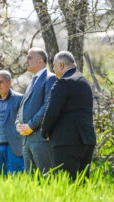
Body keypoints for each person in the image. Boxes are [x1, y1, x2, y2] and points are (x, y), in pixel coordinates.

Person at [41, 51, 96, 180]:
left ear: (61, 65)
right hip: (87, 139)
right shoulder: (84, 81)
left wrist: (44, 133)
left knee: (67, 182)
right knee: (83, 181)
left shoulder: (63, 83)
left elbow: (52, 112)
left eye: (54, 66)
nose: (53, 70)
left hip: (66, 141)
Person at [16, 47, 57, 174]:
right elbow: (22, 106)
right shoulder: (32, 81)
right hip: (27, 140)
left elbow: (48, 106)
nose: (26, 61)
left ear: (40, 61)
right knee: (32, 181)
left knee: (46, 178)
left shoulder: (50, 78)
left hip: (40, 140)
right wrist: (17, 123)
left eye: (29, 58)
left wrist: (31, 126)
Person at [0, 70, 24, 175]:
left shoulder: (19, 98)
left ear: (9, 83)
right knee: (1, 178)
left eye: (1, 82)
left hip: (13, 146)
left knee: (16, 177)